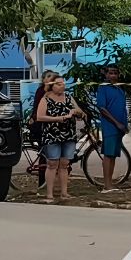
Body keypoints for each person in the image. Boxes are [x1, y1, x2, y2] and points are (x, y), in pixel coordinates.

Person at [34, 75, 86, 203]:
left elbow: (80, 111)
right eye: (58, 84)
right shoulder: (45, 99)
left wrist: (76, 112)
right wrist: (58, 118)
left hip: (68, 135)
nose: (62, 86)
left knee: (64, 164)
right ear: (52, 85)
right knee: (52, 164)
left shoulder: (68, 97)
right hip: (52, 135)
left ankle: (64, 193)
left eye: (63, 83)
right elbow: (40, 117)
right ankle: (50, 194)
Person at [95, 64, 128, 193]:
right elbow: (102, 108)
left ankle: (110, 183)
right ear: (106, 74)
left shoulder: (119, 89)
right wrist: (116, 123)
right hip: (110, 127)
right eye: (111, 73)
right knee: (108, 155)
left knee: (113, 155)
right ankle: (106, 185)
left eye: (115, 73)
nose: (113, 75)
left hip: (120, 127)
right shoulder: (103, 88)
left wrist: (124, 125)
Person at [28, 70, 57, 187]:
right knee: (44, 155)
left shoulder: (54, 91)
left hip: (50, 125)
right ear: (44, 79)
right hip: (41, 126)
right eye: (48, 76)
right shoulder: (41, 91)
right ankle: (42, 182)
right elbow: (38, 109)